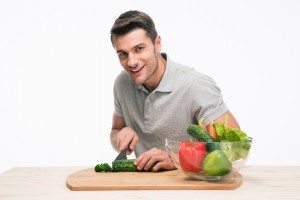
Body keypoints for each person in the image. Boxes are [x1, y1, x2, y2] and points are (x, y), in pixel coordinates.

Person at [109, 10, 240, 172]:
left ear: (157, 44)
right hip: (144, 188)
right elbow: (115, 130)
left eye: (139, 49)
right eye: (123, 54)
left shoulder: (195, 85)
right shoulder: (122, 83)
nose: (132, 62)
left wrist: (176, 158)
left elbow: (235, 149)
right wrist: (120, 136)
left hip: (191, 188)